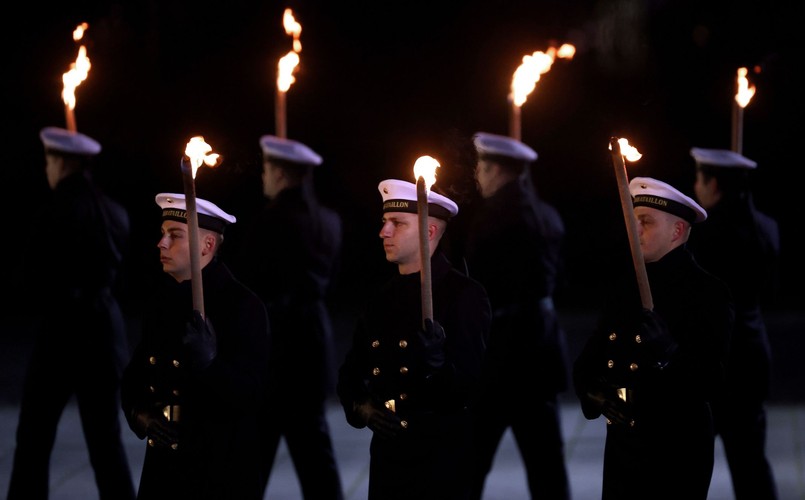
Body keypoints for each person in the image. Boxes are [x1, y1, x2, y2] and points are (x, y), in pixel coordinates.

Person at [573, 176, 734, 499]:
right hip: (623, 447)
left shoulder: (707, 292)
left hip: (676, 451)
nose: (635, 229)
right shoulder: (626, 285)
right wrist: (600, 398)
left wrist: (669, 352)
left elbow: (714, 383)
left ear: (677, 231)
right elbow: (591, 359)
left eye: (645, 222)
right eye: (632, 221)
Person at [336, 178, 491, 500]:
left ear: (429, 232)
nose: (384, 232)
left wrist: (438, 366)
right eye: (384, 223)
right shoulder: (381, 298)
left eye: (397, 224)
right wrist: (360, 405)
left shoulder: (463, 295)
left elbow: (473, 387)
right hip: (388, 454)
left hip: (441, 460)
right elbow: (352, 371)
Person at [7, 126, 136, 500]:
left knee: (34, 437)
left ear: (61, 163)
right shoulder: (115, 212)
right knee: (106, 443)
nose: (47, 169)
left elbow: (31, 278)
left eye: (49, 161)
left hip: (63, 334)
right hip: (104, 334)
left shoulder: (52, 210)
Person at [121, 193, 271, 500]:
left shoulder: (242, 306)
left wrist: (210, 364)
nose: (161, 244)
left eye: (174, 235)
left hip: (218, 475)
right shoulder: (163, 303)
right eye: (163, 234)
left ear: (208, 246)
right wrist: (142, 417)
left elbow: (253, 395)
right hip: (164, 471)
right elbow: (134, 379)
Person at [233, 135, 344, 499]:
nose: (263, 177)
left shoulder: (270, 221)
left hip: (275, 350)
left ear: (280, 173)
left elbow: (249, 284)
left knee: (252, 457)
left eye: (267, 169)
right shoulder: (328, 220)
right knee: (316, 457)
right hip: (311, 344)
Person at [465, 131, 571, 499]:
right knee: (547, 468)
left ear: (496, 170)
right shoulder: (548, 215)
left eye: (481, 167)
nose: (476, 175)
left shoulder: (491, 220)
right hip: (540, 355)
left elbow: (477, 286)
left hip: (499, 359)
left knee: (469, 464)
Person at [688, 147, 780, 499]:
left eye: (700, 179)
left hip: (713, 362)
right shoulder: (767, 229)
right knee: (751, 464)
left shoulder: (703, 236)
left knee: (689, 464)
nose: (696, 186)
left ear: (713, 184)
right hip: (753, 353)